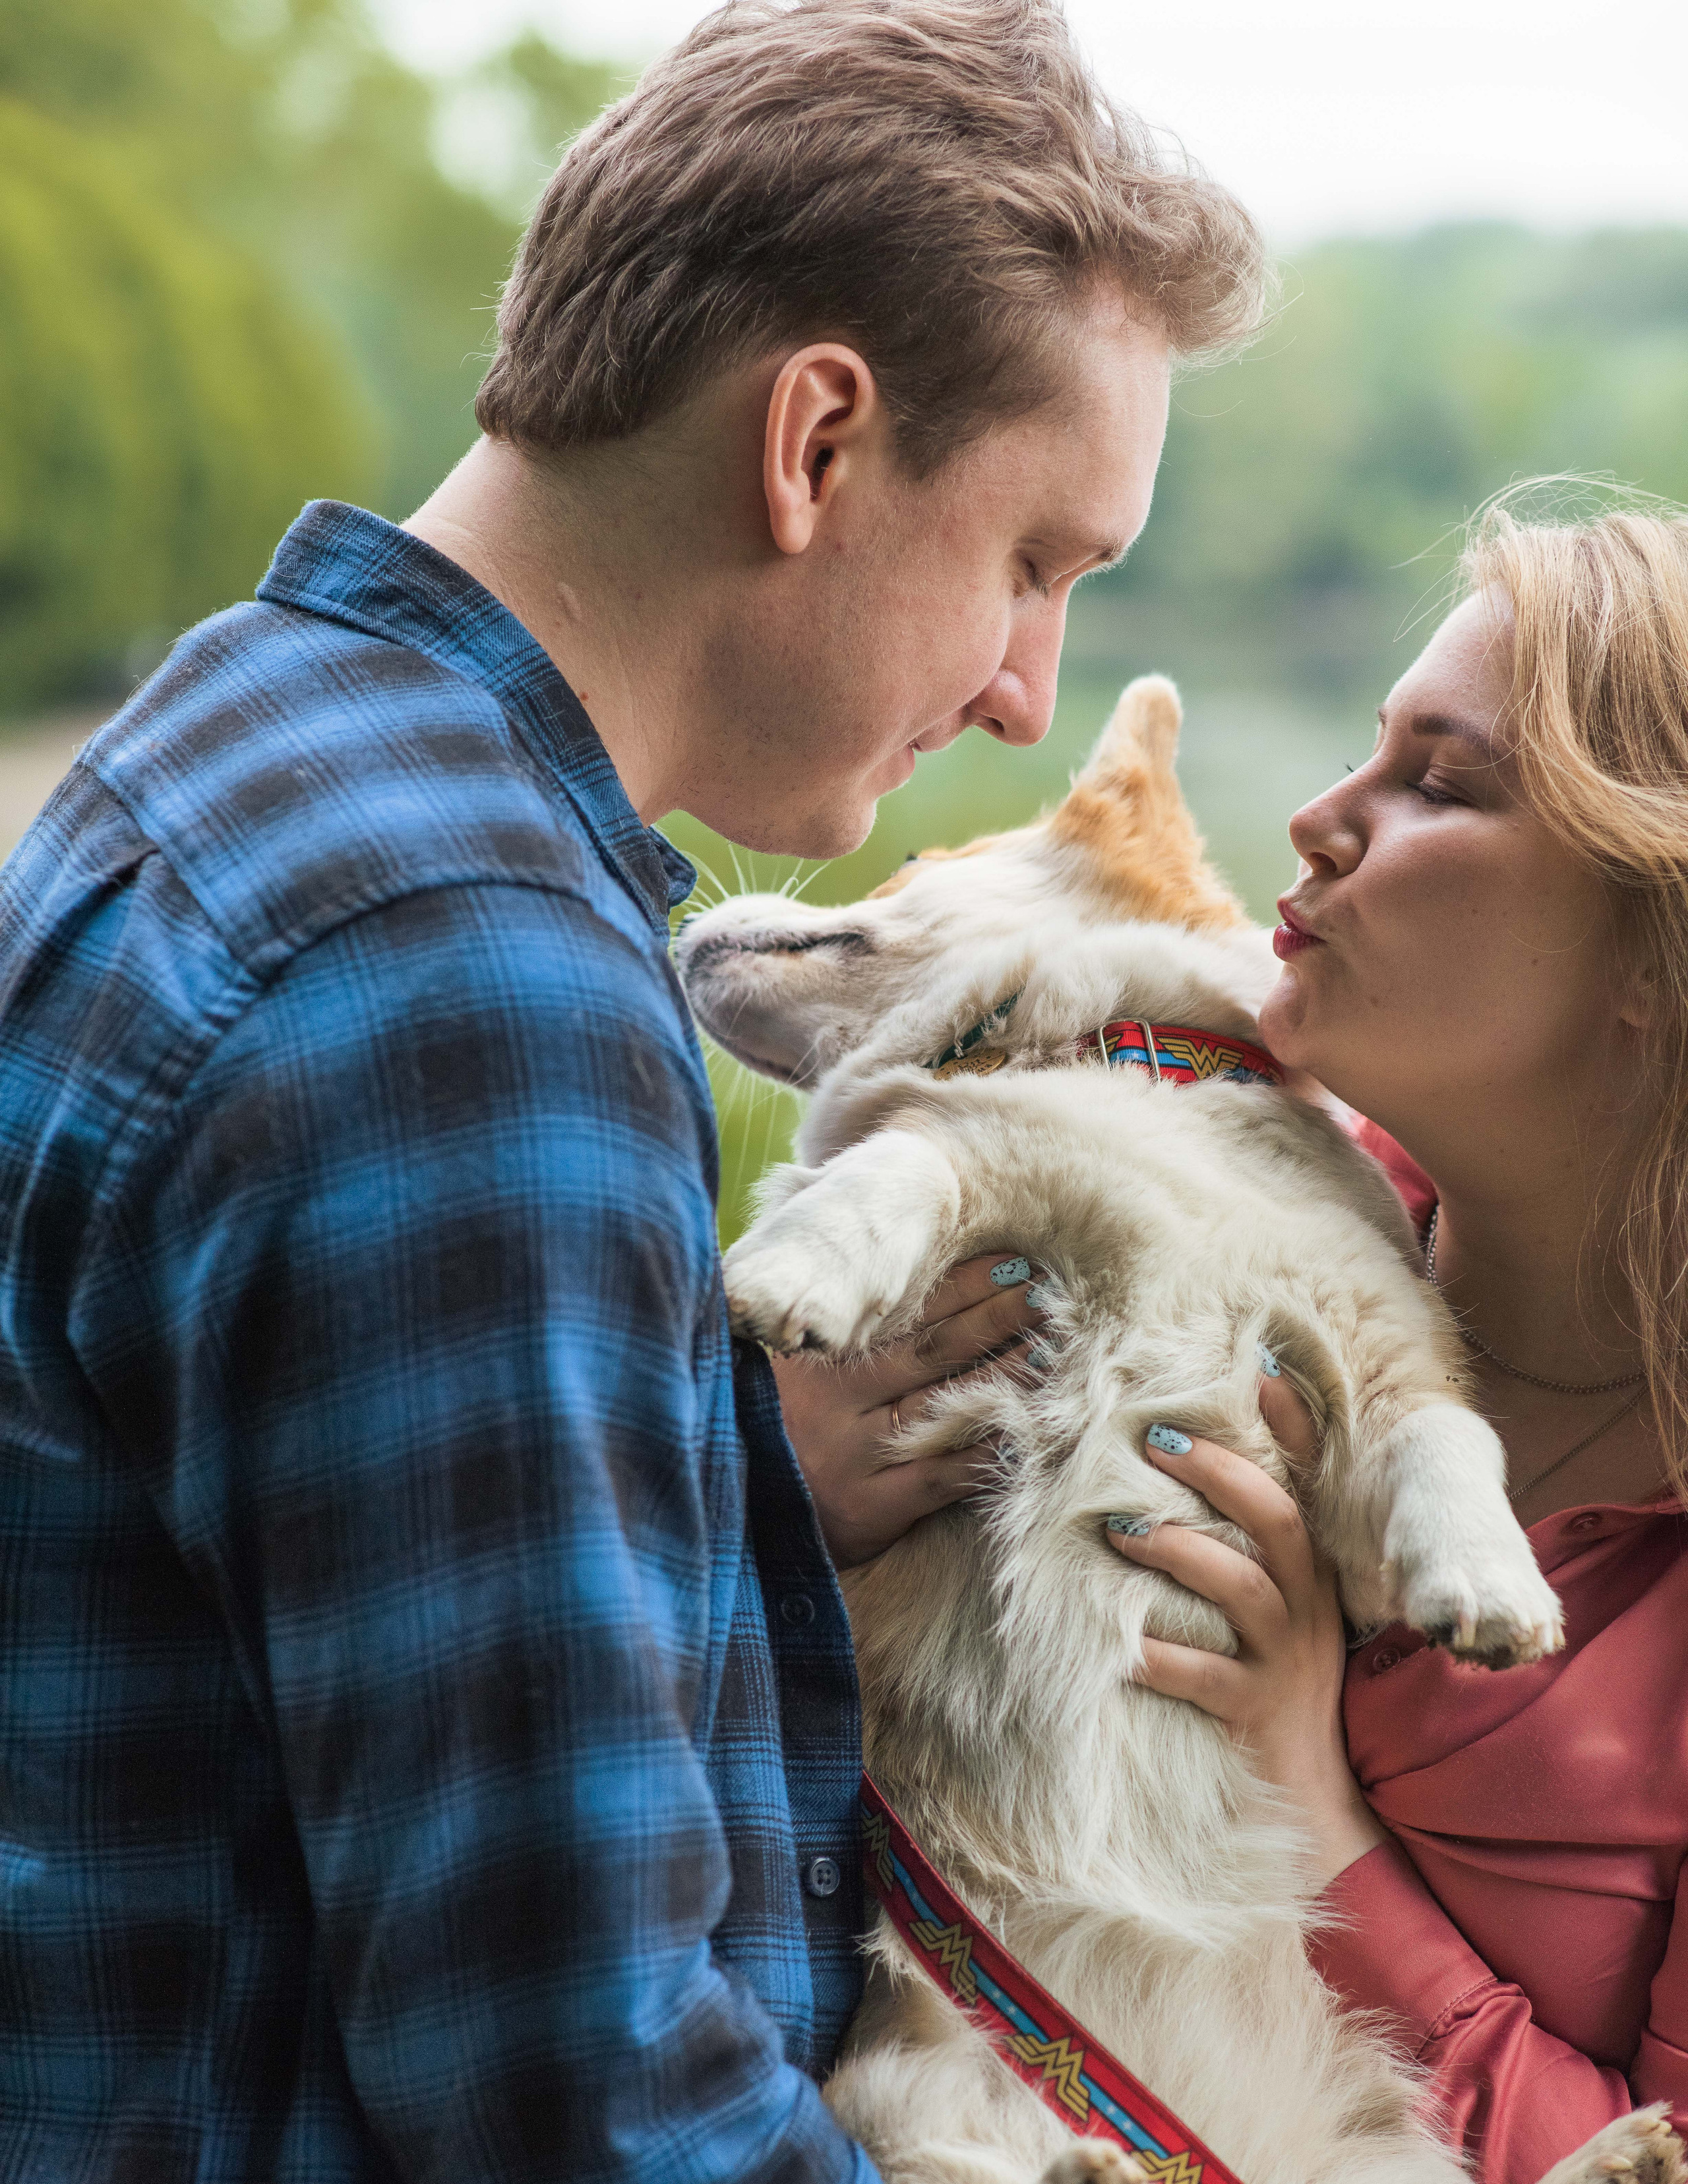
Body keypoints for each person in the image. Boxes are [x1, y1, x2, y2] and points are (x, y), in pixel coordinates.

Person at [0, 1, 1265, 2176]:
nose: (1025, 689)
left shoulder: (237, 745)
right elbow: (576, 2094)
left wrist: (707, 1474)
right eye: (1036, 562)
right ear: (819, 444)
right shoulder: (457, 981)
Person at [1085, 500, 1687, 2183]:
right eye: (1368, 750)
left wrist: (1311, 1804)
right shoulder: (1201, 1224)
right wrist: (807, 1463)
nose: (1315, 818)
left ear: (1654, 945)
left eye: (1439, 781)